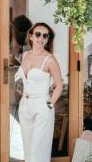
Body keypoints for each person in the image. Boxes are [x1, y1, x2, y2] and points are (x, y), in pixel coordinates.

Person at [14, 22, 63, 162]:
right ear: (31, 37)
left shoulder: (50, 60)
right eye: (37, 34)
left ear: (47, 39)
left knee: (38, 151)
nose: (40, 38)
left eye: (45, 35)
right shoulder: (25, 55)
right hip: (25, 105)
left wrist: (49, 104)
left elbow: (59, 85)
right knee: (28, 149)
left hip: (42, 105)